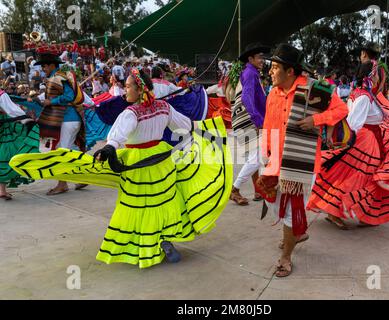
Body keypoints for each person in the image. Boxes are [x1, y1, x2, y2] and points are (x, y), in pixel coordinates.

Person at [10, 68, 232, 268]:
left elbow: (118, 135)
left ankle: (147, 246)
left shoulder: (131, 113)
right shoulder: (164, 107)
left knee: (139, 205)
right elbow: (185, 126)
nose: (124, 90)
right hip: (160, 161)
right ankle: (164, 242)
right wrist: (211, 134)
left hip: (138, 163)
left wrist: (110, 148)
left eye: (127, 86)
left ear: (140, 89)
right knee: (163, 202)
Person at [307, 61, 389, 230]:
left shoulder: (365, 94)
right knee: (358, 178)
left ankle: (363, 214)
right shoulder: (364, 96)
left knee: (361, 177)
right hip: (364, 141)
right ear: (370, 75)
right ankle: (335, 211)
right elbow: (354, 123)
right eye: (376, 74)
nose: (379, 77)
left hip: (369, 140)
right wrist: (347, 143)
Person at [257, 44, 348, 277]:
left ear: (290, 72)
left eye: (275, 67)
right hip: (276, 159)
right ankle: (296, 233)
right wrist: (265, 152)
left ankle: (286, 257)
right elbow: (268, 124)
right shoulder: (273, 94)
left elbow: (341, 109)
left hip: (302, 163)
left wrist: (317, 119)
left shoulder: (315, 89)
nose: (270, 71)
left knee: (289, 210)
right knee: (272, 202)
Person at [34, 52, 87, 195]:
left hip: (67, 119)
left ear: (52, 65)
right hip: (68, 119)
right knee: (71, 150)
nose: (43, 68)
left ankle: (62, 184)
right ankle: (83, 177)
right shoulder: (54, 78)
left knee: (62, 152)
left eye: (44, 65)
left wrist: (51, 102)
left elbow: (69, 96)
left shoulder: (58, 77)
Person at [230, 43, 271, 206]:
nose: (262, 60)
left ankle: (258, 191)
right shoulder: (250, 74)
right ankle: (235, 189)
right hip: (248, 120)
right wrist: (258, 120)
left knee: (253, 158)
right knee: (257, 158)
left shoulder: (251, 72)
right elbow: (247, 98)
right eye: (259, 57)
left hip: (243, 119)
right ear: (250, 59)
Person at [0, 89, 40, 200]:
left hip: (3, 125)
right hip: (3, 128)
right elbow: (12, 110)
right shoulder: (1, 95)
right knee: (7, 152)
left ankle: (2, 190)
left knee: (4, 152)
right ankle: (2, 190)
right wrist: (27, 120)